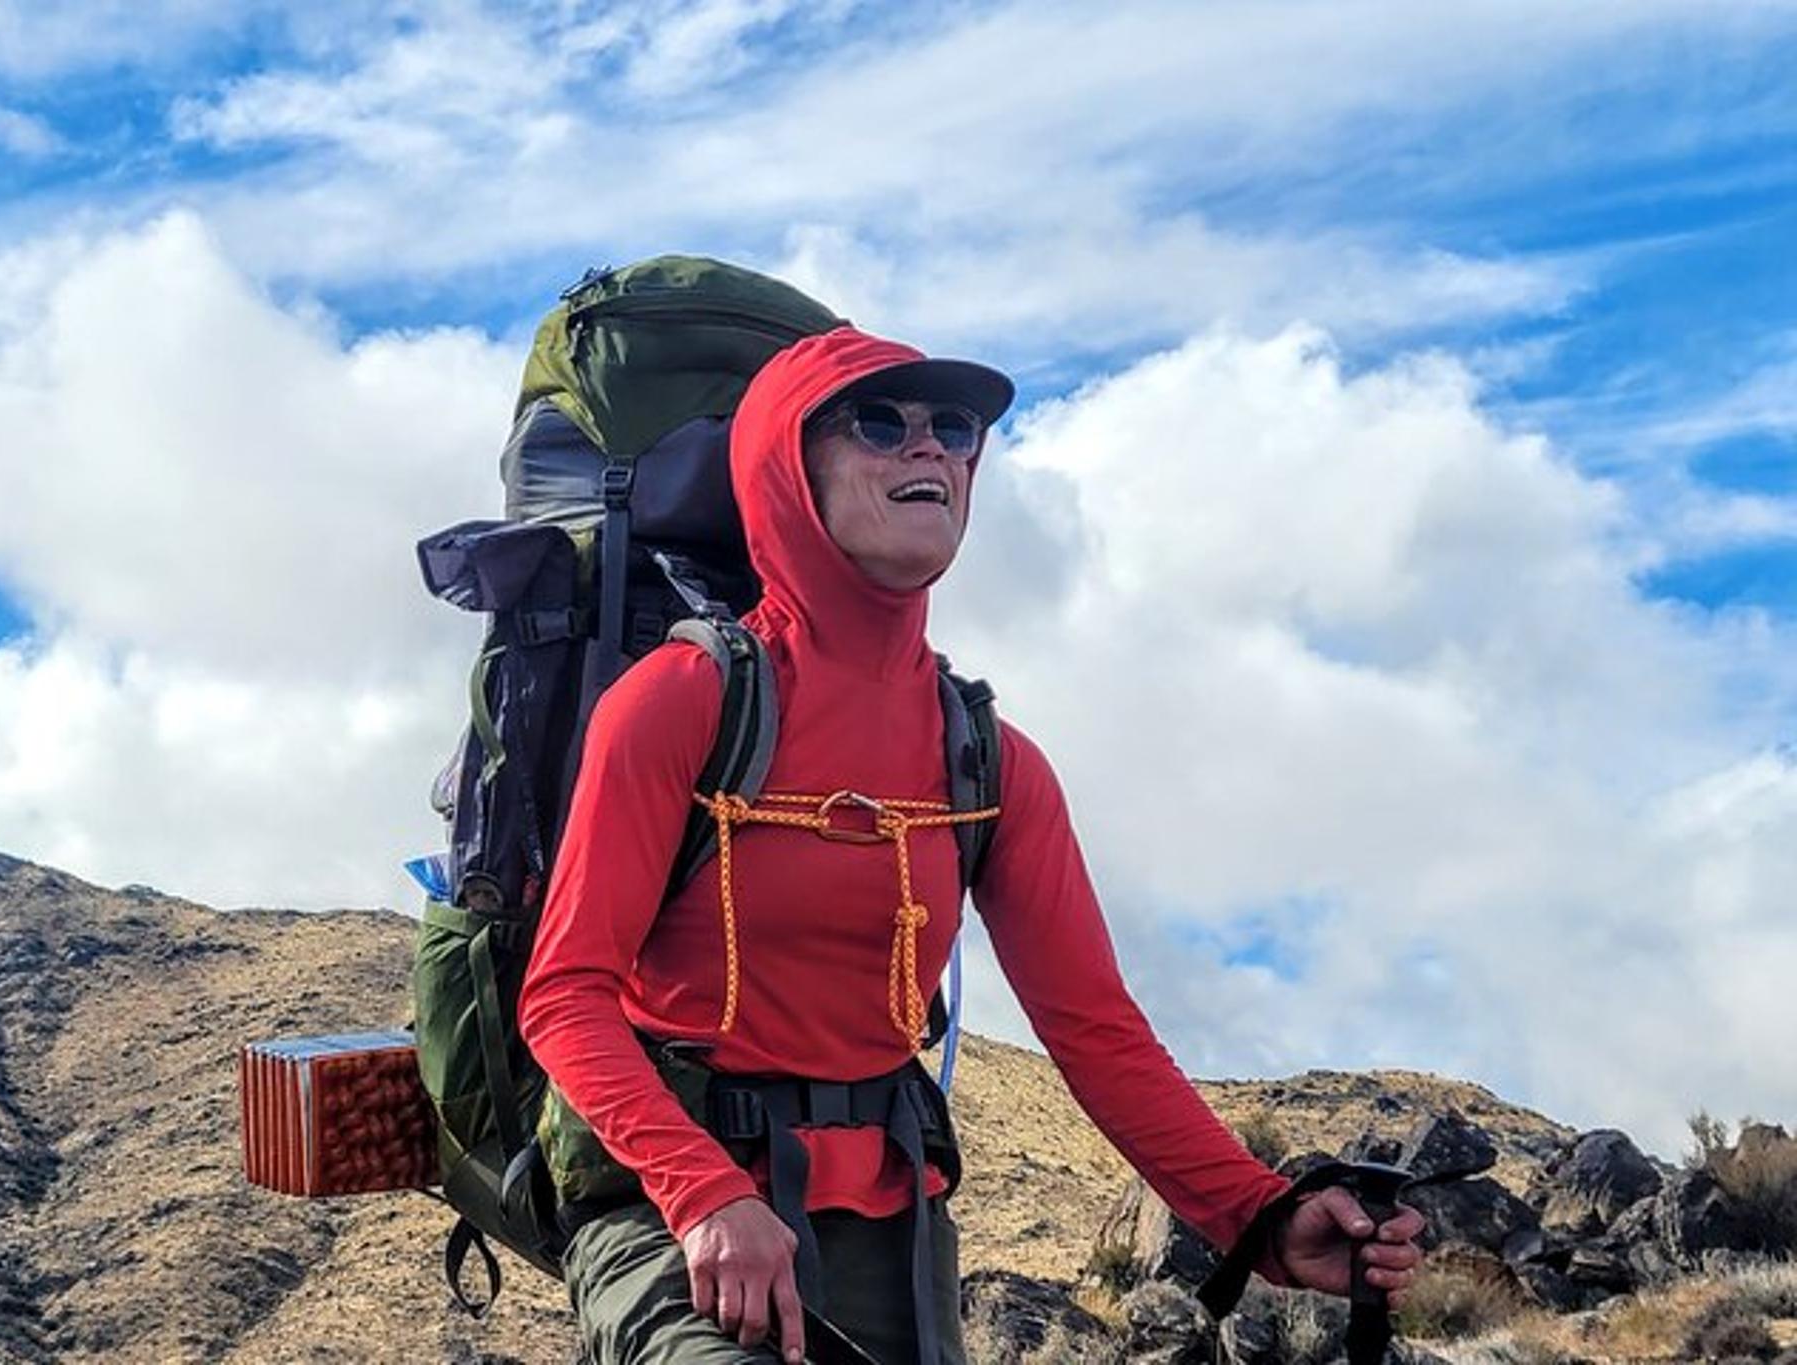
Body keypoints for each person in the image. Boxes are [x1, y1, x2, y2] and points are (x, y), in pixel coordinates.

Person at [517, 326, 1425, 1365]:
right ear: (784, 465)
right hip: (670, 1206)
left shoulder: (987, 760)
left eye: (953, 429)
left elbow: (1096, 1032)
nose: (929, 452)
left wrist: (1259, 1218)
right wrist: (705, 1193)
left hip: (889, 1221)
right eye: (878, 423)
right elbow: (563, 994)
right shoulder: (681, 702)